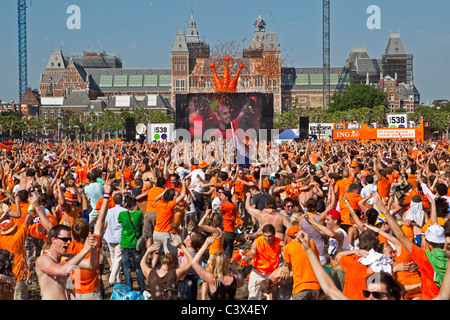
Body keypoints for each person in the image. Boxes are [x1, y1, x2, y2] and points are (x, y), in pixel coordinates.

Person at [373, 193, 448, 300]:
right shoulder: (448, 257)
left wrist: (385, 211)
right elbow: (435, 226)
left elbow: (401, 235)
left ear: (427, 242)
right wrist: (433, 206)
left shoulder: (425, 257)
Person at [35, 224, 98, 300]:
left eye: (70, 239)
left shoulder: (67, 258)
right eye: (65, 239)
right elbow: (62, 271)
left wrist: (94, 247)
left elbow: (91, 265)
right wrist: (84, 250)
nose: (68, 242)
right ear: (53, 240)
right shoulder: (43, 260)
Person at [186, 236, 244, 300]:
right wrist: (234, 268)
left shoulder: (211, 279)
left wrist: (205, 245)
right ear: (226, 264)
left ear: (213, 264)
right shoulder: (235, 279)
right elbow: (241, 282)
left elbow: (194, 262)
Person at [245, 224, 284, 300]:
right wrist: (249, 256)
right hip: (258, 272)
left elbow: (285, 257)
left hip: (271, 274)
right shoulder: (258, 241)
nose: (267, 238)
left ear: (274, 234)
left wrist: (284, 249)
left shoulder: (279, 242)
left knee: (272, 298)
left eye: (269, 236)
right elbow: (252, 252)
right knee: (252, 297)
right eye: (265, 236)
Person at [281, 226, 321, 300]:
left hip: (300, 287)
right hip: (316, 286)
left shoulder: (288, 247)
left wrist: (286, 266)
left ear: (289, 238)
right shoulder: (311, 244)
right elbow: (317, 261)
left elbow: (288, 263)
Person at [118, 195, 146, 293]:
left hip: (125, 244)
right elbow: (142, 223)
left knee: (127, 268)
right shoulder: (139, 214)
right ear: (135, 204)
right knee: (138, 267)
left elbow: (119, 221)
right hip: (135, 245)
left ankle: (128, 289)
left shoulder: (122, 214)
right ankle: (142, 288)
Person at [151, 181, 186, 254]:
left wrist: (164, 193)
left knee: (156, 253)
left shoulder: (159, 204)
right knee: (169, 255)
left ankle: (153, 264)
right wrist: (183, 183)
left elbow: (153, 202)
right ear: (172, 197)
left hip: (156, 233)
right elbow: (182, 195)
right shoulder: (170, 205)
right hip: (165, 234)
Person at [103, 193, 126, 285]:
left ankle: (118, 278)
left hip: (110, 236)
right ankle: (112, 278)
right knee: (117, 258)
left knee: (114, 258)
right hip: (119, 237)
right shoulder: (125, 211)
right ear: (121, 201)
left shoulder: (108, 211)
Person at [218, 190, 238, 259]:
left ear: (226, 198)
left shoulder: (227, 206)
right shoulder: (233, 205)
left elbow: (217, 208)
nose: (220, 197)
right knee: (228, 251)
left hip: (227, 230)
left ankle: (227, 267)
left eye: (221, 195)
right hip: (231, 230)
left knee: (226, 252)